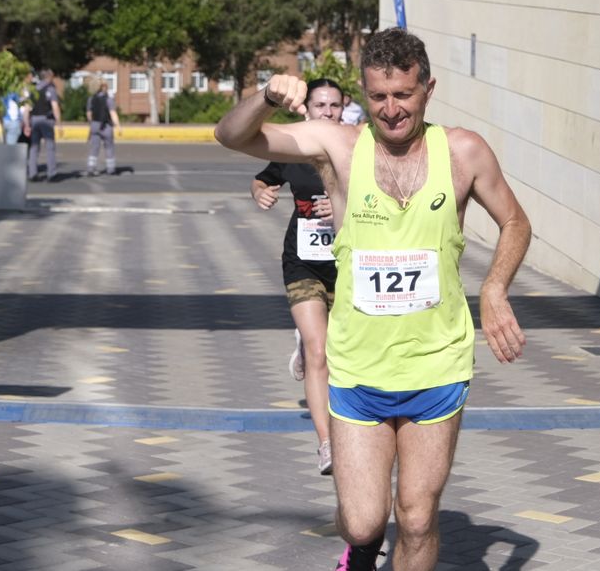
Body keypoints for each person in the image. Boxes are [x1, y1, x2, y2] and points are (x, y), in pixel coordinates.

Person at [215, 28, 531, 571]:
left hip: (436, 364)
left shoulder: (463, 151)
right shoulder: (340, 147)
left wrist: (496, 288)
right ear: (364, 93)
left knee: (415, 517)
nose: (391, 110)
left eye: (403, 95)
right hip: (358, 368)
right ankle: (360, 549)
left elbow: (516, 222)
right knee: (363, 521)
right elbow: (233, 136)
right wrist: (268, 95)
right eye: (378, 96)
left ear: (428, 88)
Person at [251, 77, 346, 475]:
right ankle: (326, 445)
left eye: (334, 106)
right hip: (303, 260)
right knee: (319, 352)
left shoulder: (357, 149)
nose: (327, 112)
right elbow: (265, 177)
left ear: (345, 108)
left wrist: (343, 207)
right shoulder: (296, 147)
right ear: (306, 110)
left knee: (344, 356)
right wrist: (260, 191)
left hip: (348, 264)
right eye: (320, 106)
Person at [24, 70, 61, 181]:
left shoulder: (33, 90)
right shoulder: (50, 89)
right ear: (49, 77)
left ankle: (32, 173)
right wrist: (59, 123)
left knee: (34, 147)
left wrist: (27, 124)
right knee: (50, 147)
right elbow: (55, 107)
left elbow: (27, 108)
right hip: (46, 120)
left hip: (34, 120)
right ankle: (51, 173)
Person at [86, 81, 120, 176]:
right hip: (106, 126)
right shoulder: (109, 99)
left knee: (94, 148)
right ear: (103, 87)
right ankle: (111, 169)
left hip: (94, 125)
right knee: (109, 147)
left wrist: (91, 124)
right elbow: (112, 113)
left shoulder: (91, 99)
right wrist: (118, 126)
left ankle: (91, 168)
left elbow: (89, 114)